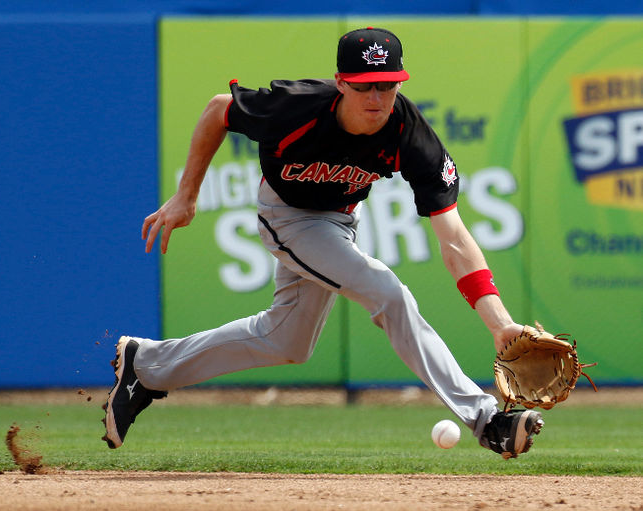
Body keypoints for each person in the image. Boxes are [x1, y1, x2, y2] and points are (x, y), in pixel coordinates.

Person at [102, 27, 544, 459]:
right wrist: (187, 195)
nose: (376, 98)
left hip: (338, 221)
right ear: (340, 83)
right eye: (364, 86)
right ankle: (487, 420)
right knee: (387, 292)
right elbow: (219, 110)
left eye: (387, 85)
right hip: (286, 216)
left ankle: (147, 366)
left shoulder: (410, 134)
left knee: (287, 342)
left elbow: (454, 238)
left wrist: (499, 324)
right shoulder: (297, 108)